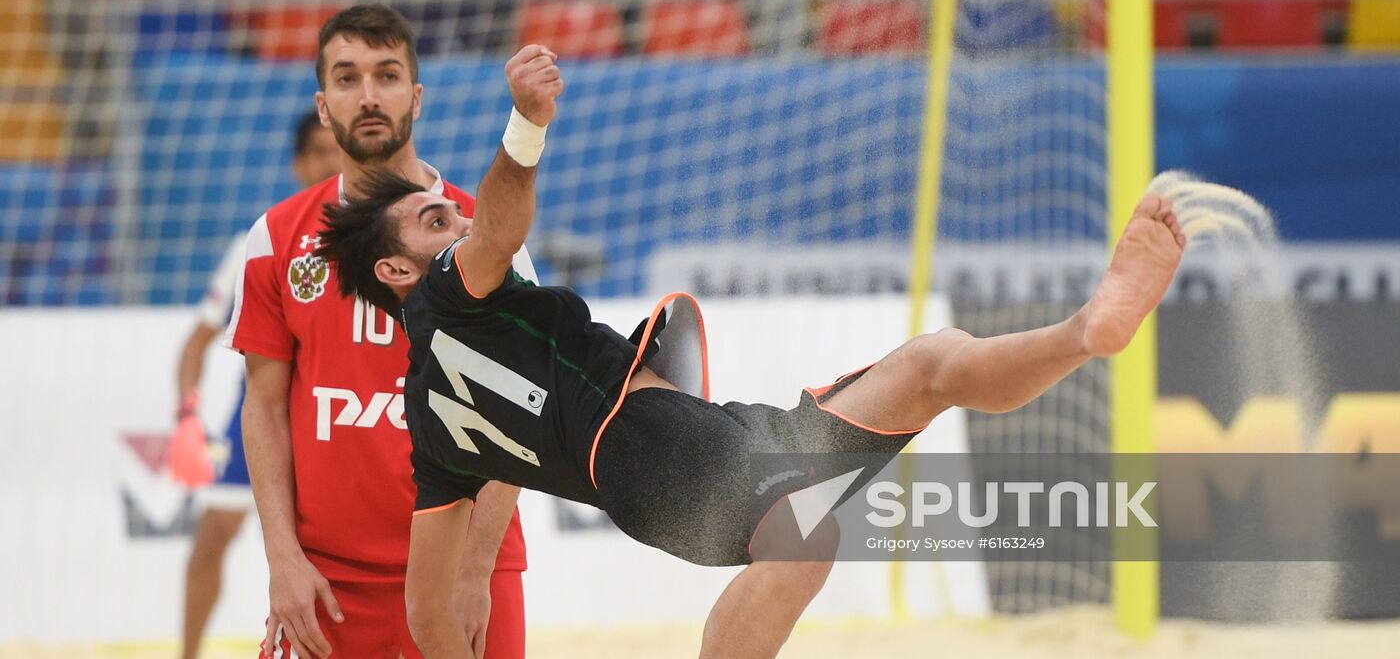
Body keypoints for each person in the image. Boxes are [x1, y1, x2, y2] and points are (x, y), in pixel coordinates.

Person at [315, 45, 1190, 659]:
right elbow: (502, 223)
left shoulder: (427, 429)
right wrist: (526, 128)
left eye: (454, 213)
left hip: (695, 447)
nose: (458, 217)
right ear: (397, 268)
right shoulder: (443, 296)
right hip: (654, 447)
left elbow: (426, 610)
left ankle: (1088, 329)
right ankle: (1083, 332)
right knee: (807, 537)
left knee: (931, 367)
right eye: (437, 220)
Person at [228, 5, 531, 659]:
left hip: (465, 572)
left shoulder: (485, 233)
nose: (368, 95)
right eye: (347, 77)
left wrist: (477, 569)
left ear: (416, 97)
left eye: (387, 75)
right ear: (323, 101)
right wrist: (282, 560)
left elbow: (517, 414)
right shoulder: (276, 238)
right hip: (327, 580)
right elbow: (265, 408)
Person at [169, 110, 340, 659]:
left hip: (336, 422)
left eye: (336, 148)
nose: (329, 161)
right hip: (263, 418)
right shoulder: (265, 239)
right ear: (298, 164)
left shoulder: (384, 239)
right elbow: (196, 342)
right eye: (317, 151)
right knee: (211, 538)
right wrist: (187, 416)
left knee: (338, 551)